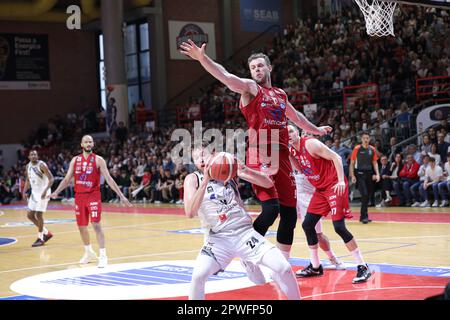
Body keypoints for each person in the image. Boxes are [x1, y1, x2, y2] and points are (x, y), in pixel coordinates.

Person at [180, 40, 331, 261]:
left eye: (260, 66)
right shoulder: (251, 88)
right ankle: (248, 255)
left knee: (289, 216)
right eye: (253, 67)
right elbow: (228, 78)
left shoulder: (280, 95)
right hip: (261, 153)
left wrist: (315, 129)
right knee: (271, 210)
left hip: (282, 156)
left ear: (269, 68)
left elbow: (296, 117)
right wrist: (203, 59)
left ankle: (281, 264)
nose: (257, 70)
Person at [184, 142, 300, 300]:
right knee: (198, 277)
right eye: (196, 158)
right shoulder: (193, 179)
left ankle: (248, 261)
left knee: (284, 268)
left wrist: (242, 169)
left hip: (245, 234)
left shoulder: (229, 169)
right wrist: (205, 181)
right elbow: (190, 212)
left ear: (214, 154)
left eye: (203, 154)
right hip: (218, 239)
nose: (201, 160)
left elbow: (267, 183)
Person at [289, 127, 371, 283]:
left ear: (298, 133)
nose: (289, 135)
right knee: (307, 225)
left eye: (292, 131)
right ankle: (315, 266)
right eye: (286, 134)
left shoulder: (311, 144)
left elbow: (336, 157)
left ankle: (363, 266)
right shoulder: (292, 151)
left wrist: (341, 180)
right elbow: (301, 169)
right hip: (320, 189)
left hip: (334, 185)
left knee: (339, 227)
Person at [49, 135, 132, 268]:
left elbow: (109, 179)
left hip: (93, 196)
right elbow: (66, 180)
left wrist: (121, 195)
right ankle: (88, 252)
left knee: (96, 225)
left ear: (93, 144)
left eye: (90, 142)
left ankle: (103, 255)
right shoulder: (75, 160)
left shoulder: (99, 160)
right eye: (86, 142)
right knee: (81, 227)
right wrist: (56, 192)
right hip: (79, 197)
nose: (88, 143)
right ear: (82, 144)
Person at [288, 126, 345, 270]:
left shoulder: (313, 149)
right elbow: (298, 168)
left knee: (318, 234)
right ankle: (314, 264)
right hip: (300, 197)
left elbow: (333, 158)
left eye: (309, 133)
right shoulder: (292, 151)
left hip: (315, 193)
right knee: (305, 228)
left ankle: (333, 258)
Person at [22, 150, 54, 247]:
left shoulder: (41, 165)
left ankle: (40, 238)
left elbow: (51, 178)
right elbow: (28, 180)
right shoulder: (28, 166)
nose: (33, 156)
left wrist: (45, 191)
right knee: (30, 215)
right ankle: (46, 233)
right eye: (31, 154)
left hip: (43, 192)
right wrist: (24, 191)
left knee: (39, 215)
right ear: (29, 157)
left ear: (37, 156)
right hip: (34, 193)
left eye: (35, 154)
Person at [349, 132, 380, 223]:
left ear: (369, 139)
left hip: (369, 174)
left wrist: (377, 174)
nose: (366, 140)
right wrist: (353, 175)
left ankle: (364, 216)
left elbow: (375, 162)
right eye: (364, 138)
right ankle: (363, 217)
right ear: (361, 139)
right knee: (365, 194)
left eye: (367, 138)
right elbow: (352, 163)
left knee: (367, 195)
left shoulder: (372, 149)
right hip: (359, 173)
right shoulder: (357, 148)